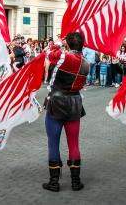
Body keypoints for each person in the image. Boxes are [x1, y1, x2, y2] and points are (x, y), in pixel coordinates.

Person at [42, 32, 89, 193]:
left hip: (57, 102)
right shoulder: (86, 63)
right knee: (74, 143)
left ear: (68, 45)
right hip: (75, 102)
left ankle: (54, 182)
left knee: (53, 142)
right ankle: (76, 181)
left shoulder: (64, 57)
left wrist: (56, 44)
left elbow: (49, 52)